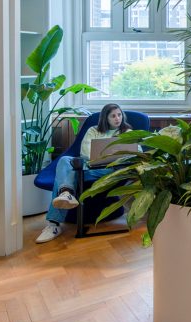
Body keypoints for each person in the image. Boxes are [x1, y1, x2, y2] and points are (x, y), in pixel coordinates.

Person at [36, 103, 133, 243]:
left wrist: (113, 159)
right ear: (105, 118)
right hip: (90, 168)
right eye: (113, 116)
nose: (117, 118)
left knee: (68, 175)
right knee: (65, 161)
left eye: (119, 114)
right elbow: (85, 153)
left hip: (111, 170)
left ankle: (53, 224)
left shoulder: (127, 132)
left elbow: (137, 153)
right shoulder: (93, 130)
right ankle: (66, 194)